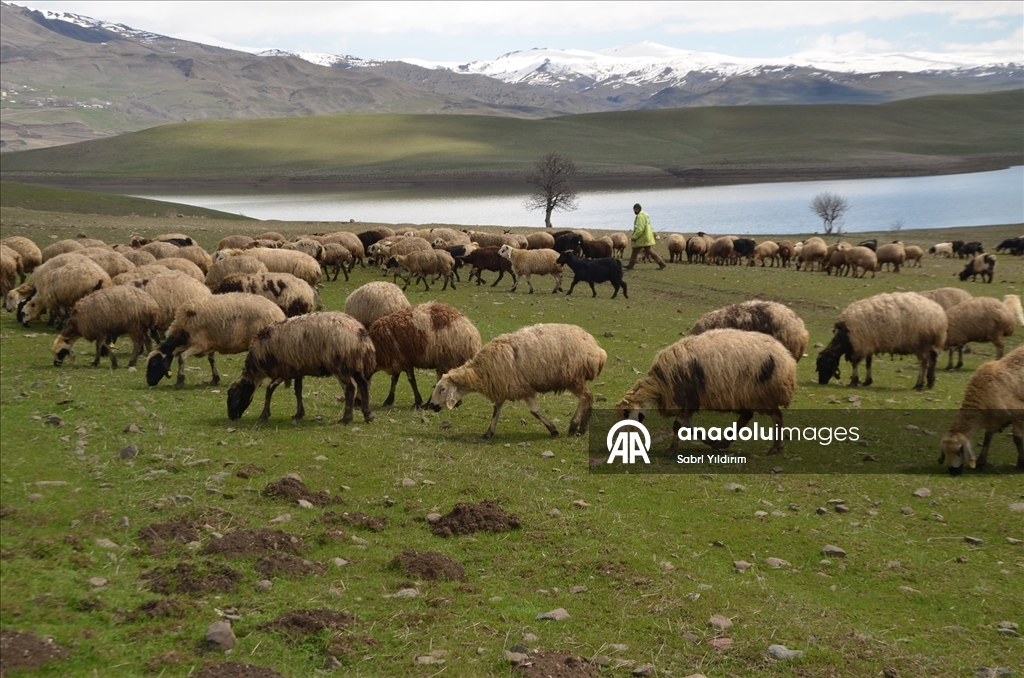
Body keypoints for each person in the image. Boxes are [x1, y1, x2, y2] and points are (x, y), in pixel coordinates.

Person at [624, 203, 666, 270]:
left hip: (643, 238)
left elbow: (640, 229)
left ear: (639, 209)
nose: (634, 211)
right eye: (634, 210)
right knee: (650, 251)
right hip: (647, 237)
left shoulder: (640, 217)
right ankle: (662, 263)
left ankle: (630, 265)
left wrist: (634, 237)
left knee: (635, 251)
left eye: (636, 209)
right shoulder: (645, 215)